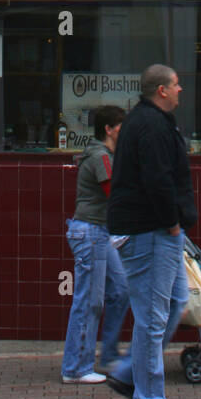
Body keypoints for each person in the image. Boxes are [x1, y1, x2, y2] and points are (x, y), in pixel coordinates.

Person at [105, 64, 197, 399]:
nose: (180, 90)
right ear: (161, 90)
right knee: (152, 318)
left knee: (176, 301)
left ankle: (129, 374)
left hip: (150, 230)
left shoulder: (143, 122)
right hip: (151, 233)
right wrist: (172, 223)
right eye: (176, 84)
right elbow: (158, 180)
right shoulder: (153, 127)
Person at [61, 105, 131, 384]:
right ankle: (76, 368)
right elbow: (114, 194)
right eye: (121, 125)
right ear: (109, 129)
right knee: (89, 301)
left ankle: (109, 354)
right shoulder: (101, 157)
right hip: (91, 233)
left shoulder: (108, 156)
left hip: (99, 232)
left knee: (121, 289)